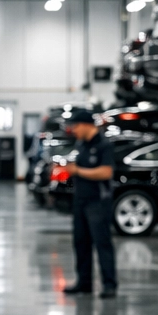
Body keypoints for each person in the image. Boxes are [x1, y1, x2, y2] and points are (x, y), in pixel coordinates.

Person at [60, 109, 117, 298]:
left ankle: (109, 284)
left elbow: (106, 172)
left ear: (85, 125)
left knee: (102, 243)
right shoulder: (81, 145)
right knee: (81, 242)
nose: (73, 130)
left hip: (98, 202)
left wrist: (78, 171)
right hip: (81, 200)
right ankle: (84, 283)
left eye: (74, 126)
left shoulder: (103, 145)